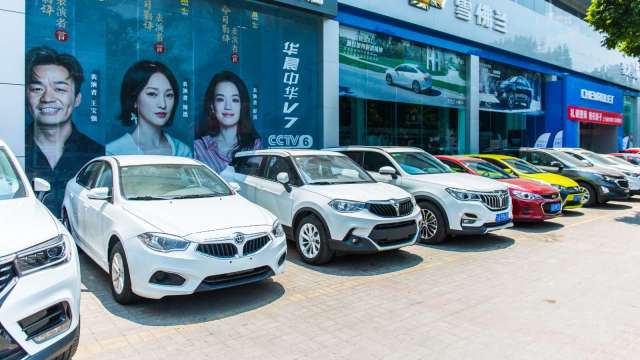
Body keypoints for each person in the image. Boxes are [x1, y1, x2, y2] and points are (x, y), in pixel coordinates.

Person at [25, 46, 104, 214]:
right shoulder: (15, 149)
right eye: (37, 89)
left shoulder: (96, 154)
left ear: (77, 99)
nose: (47, 98)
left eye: (60, 89)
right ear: (26, 95)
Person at [106, 61, 192, 157]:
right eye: (152, 94)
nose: (163, 105)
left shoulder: (183, 151)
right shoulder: (113, 152)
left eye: (169, 95)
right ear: (134, 99)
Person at [194, 71, 261, 173]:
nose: (228, 107)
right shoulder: (198, 148)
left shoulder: (254, 145)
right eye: (220, 99)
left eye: (235, 100)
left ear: (242, 106)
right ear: (212, 106)